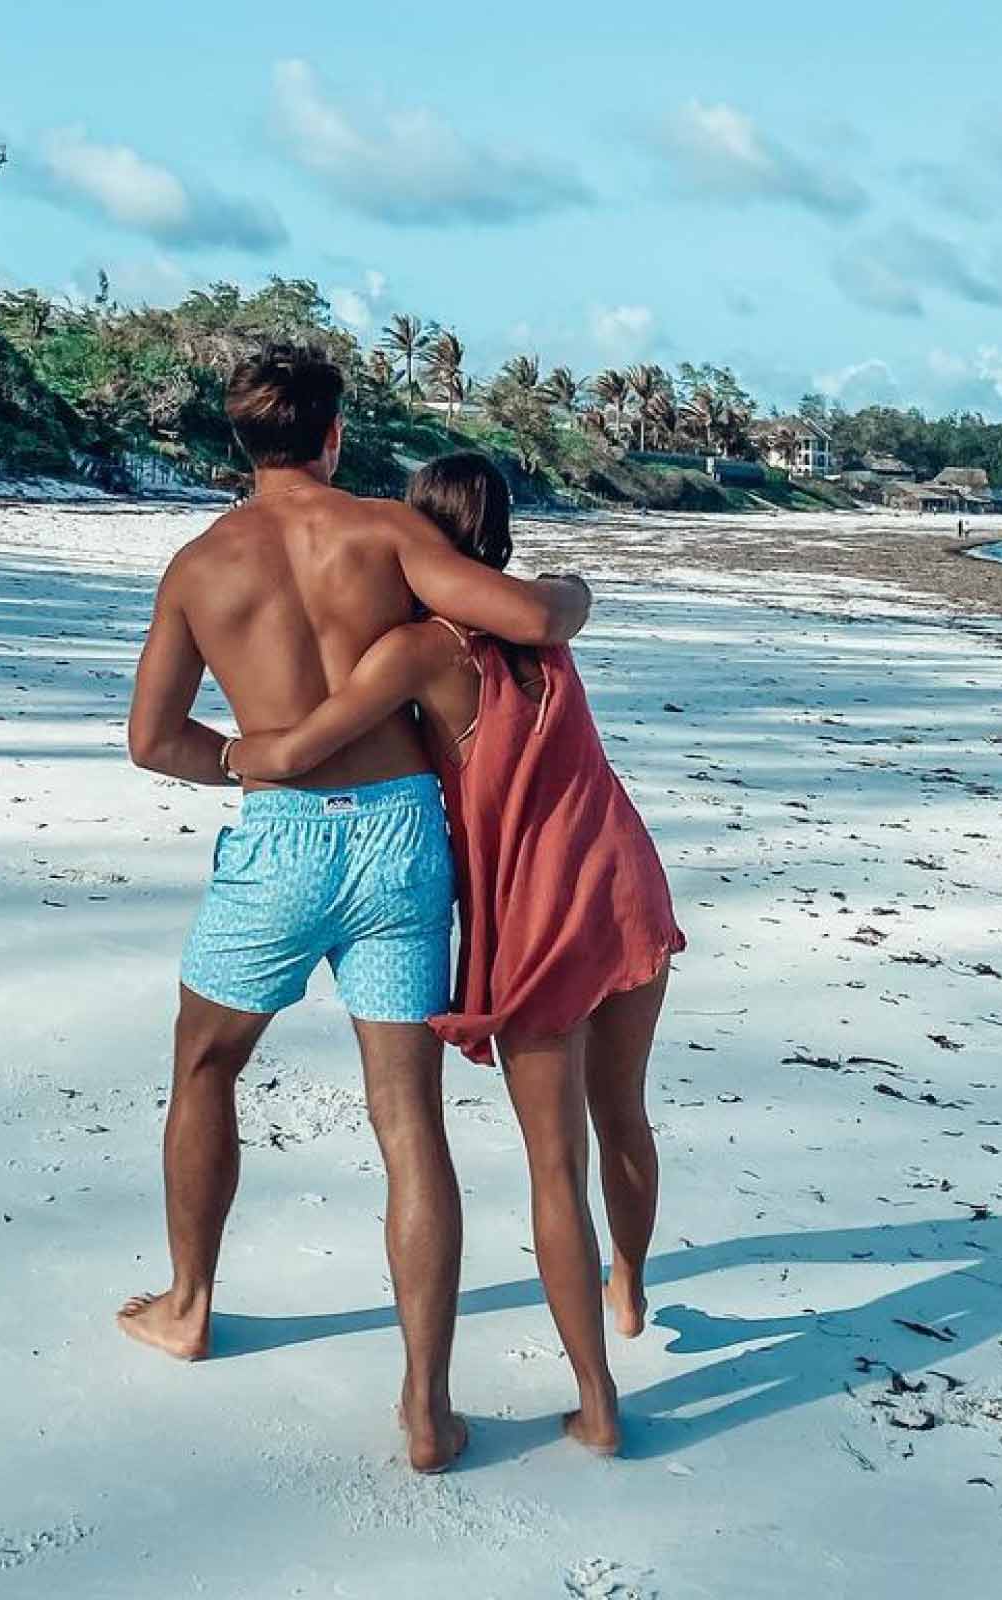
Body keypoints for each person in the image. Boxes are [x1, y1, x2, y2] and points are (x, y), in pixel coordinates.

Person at [118, 348, 590, 1474]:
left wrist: (244, 757)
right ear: (334, 436)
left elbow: (151, 739)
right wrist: (574, 589)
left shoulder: (199, 565)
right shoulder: (388, 533)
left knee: (205, 1066)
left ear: (243, 443)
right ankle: (427, 1408)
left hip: (278, 839)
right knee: (407, 1120)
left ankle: (189, 1305)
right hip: (398, 839)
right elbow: (533, 617)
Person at [227, 452, 685, 1457]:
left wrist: (231, 756)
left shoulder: (416, 651)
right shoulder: (542, 627)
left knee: (555, 1167)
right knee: (623, 1112)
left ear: (417, 539)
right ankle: (631, 1282)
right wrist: (567, 584)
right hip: (624, 880)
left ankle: (599, 1405)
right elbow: (563, 602)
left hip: (535, 914)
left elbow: (299, 748)